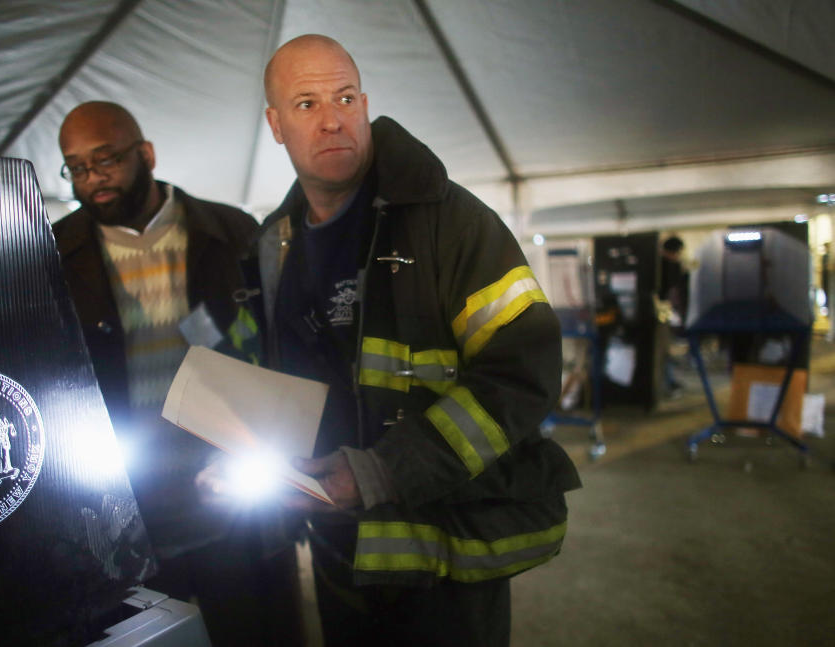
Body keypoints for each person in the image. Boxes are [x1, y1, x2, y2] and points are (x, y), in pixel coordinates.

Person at [221, 35, 582, 646]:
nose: (333, 119)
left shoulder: (451, 222)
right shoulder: (270, 246)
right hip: (337, 546)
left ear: (365, 103)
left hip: (445, 551)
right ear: (274, 125)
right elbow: (259, 368)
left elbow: (521, 374)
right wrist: (232, 447)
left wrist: (380, 474)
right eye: (306, 104)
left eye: (343, 97)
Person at [53, 101, 303, 647]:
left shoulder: (230, 234)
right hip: (124, 498)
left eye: (106, 159)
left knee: (251, 623)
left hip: (227, 481)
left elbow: (275, 348)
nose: (93, 178)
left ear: (146, 154)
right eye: (76, 167)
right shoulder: (52, 254)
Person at [658, 235, 688, 396]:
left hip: (661, 313)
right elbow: (674, 291)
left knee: (664, 351)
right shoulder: (669, 266)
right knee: (663, 351)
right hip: (660, 314)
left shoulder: (658, 263)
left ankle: (668, 383)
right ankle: (668, 384)